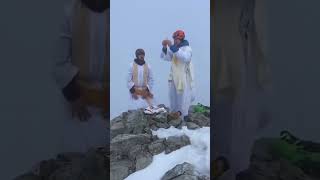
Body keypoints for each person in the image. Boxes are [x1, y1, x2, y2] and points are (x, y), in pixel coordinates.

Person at [212, 0, 271, 179]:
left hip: (242, 35)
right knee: (226, 101)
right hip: (225, 35)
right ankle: (226, 162)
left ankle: (234, 164)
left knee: (241, 103)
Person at [52, 0, 109, 153]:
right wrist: (74, 96)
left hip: (109, 106)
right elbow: (59, 62)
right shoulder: (69, 12)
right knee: (76, 158)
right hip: (79, 107)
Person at [161, 30, 195, 120]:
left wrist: (172, 46)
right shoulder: (175, 48)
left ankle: (184, 115)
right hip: (173, 76)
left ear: (181, 39)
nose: (175, 41)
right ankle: (173, 113)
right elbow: (167, 58)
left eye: (176, 39)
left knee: (183, 96)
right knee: (172, 95)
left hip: (183, 76)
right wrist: (165, 47)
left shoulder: (187, 48)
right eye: (174, 39)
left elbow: (185, 58)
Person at [127, 49, 165, 114]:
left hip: (145, 91)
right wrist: (133, 91)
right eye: (140, 55)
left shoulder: (148, 66)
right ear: (137, 56)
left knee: (154, 107)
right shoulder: (131, 65)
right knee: (139, 108)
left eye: (143, 55)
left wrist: (147, 90)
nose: (142, 56)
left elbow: (151, 79)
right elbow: (128, 79)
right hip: (135, 91)